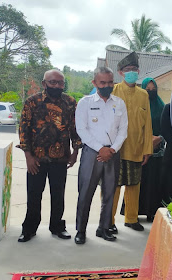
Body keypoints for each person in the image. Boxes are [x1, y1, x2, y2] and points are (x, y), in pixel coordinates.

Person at [16, 69, 81, 243]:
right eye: (53, 82)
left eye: (60, 83)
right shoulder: (32, 102)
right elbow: (23, 130)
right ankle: (29, 229)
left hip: (61, 159)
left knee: (58, 194)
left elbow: (75, 129)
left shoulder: (70, 102)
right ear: (44, 83)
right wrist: (28, 157)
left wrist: (75, 152)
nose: (57, 86)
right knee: (34, 195)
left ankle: (57, 227)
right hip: (36, 160)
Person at [74, 67, 128, 244]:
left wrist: (112, 149)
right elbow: (81, 129)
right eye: (102, 82)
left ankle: (104, 228)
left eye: (110, 82)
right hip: (92, 153)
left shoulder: (119, 103)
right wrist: (100, 149)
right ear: (94, 83)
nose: (107, 85)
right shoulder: (85, 102)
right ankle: (81, 230)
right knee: (85, 193)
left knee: (109, 193)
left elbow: (123, 130)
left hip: (113, 153)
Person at [110, 52, 153, 232]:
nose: (132, 72)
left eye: (134, 69)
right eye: (128, 70)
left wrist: (147, 149)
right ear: (120, 72)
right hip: (115, 149)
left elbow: (148, 123)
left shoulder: (143, 95)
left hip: (136, 148)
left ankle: (131, 218)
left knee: (134, 185)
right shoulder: (113, 91)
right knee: (113, 186)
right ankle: (108, 221)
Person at [138, 77, 166, 222]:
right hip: (138, 147)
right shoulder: (138, 105)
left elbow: (166, 127)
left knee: (154, 180)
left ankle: (151, 212)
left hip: (157, 149)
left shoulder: (161, 106)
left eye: (153, 89)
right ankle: (134, 212)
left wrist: (159, 138)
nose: (150, 92)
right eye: (147, 89)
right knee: (138, 181)